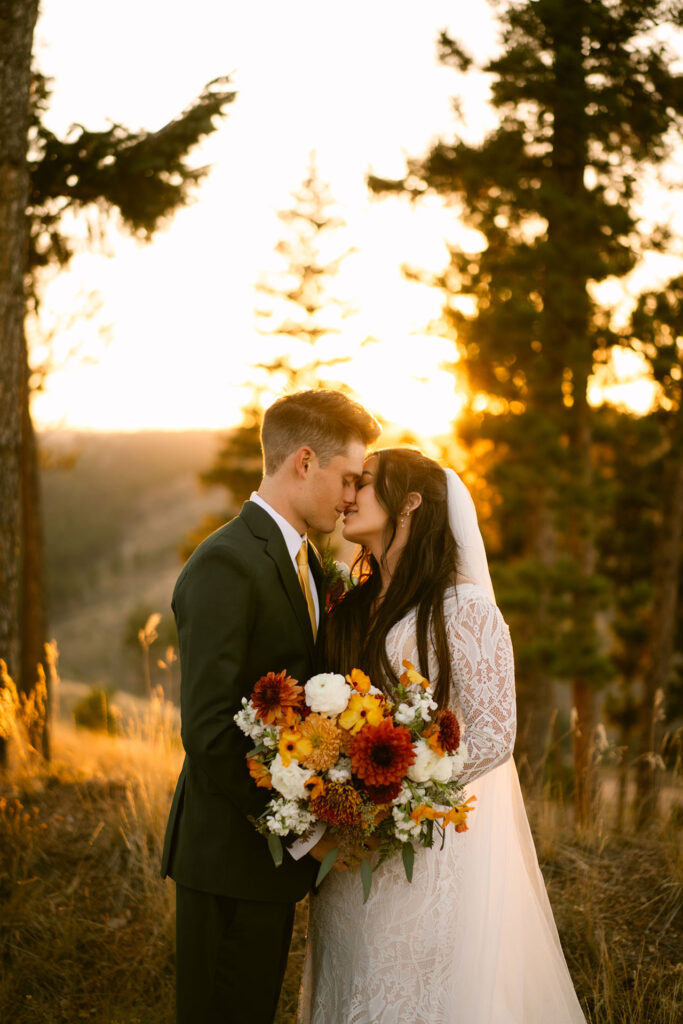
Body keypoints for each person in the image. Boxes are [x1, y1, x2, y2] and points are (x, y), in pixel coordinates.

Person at [299, 447, 586, 1024]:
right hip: (349, 849)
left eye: (365, 483)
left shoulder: (465, 607)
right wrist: (341, 795)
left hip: (421, 846)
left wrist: (395, 794)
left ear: (410, 503)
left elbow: (494, 732)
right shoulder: (351, 608)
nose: (348, 495)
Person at [161, 388, 380, 1024]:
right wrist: (306, 832)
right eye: (346, 479)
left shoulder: (306, 560)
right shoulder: (228, 563)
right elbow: (208, 733)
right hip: (228, 854)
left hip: (266, 865)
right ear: (304, 462)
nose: (350, 498)